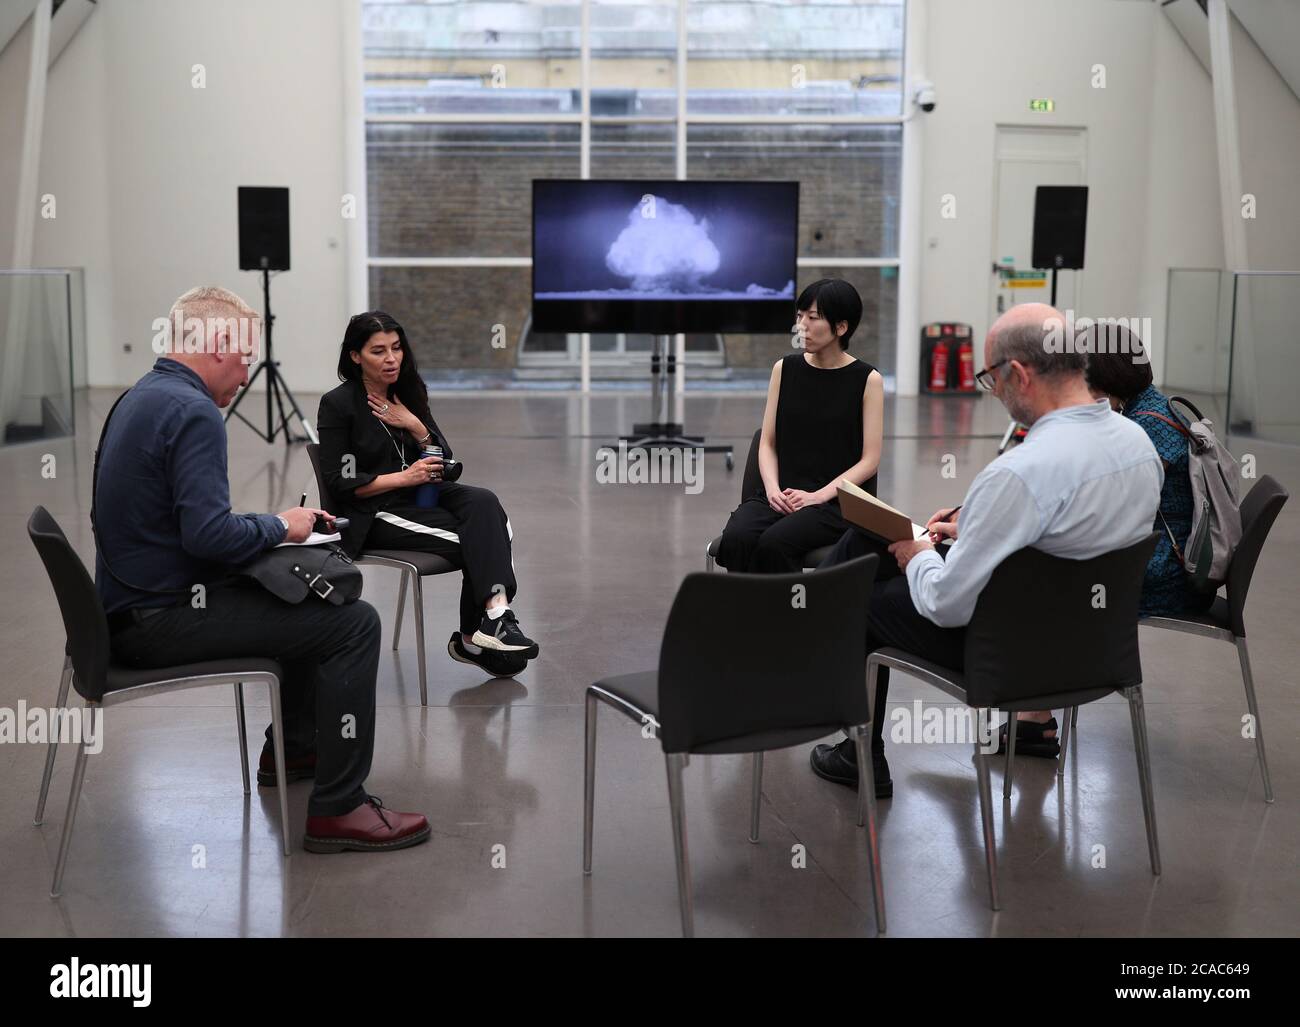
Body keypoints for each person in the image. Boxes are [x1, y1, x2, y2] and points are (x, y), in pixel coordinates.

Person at [99, 286, 429, 853]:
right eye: (246, 356)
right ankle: (339, 810)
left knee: (302, 595)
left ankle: (296, 749)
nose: (249, 372)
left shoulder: (141, 396)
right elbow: (207, 535)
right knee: (354, 623)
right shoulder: (194, 411)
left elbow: (182, 526)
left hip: (129, 603)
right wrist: (282, 527)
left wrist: (275, 527)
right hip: (156, 619)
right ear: (220, 343)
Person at [808, 303, 1163, 796]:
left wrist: (918, 552)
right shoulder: (1138, 444)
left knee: (865, 593)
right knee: (867, 542)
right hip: (1097, 647)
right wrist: (973, 529)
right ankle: (826, 667)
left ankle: (858, 750)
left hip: (1012, 656)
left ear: (1018, 374)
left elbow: (945, 605)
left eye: (991, 379)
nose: (993, 392)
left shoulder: (1018, 471)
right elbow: (1074, 532)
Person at [317, 311, 538, 679]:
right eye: (378, 351)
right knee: (487, 539)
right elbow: (342, 481)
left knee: (485, 503)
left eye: (396, 348)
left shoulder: (408, 391)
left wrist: (414, 425)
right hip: (372, 511)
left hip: (422, 497)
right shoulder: (339, 404)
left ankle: (495, 618)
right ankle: (474, 636)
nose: (391, 359)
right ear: (355, 356)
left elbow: (444, 458)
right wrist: (404, 478)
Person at [715, 279, 886, 573]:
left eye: (813, 317)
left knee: (775, 543)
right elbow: (767, 442)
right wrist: (771, 490)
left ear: (841, 327)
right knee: (737, 538)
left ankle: (790, 617)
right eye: (799, 315)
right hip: (779, 495)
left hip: (833, 504)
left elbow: (870, 461)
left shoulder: (868, 380)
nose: (801, 325)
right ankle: (743, 616)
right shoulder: (784, 369)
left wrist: (817, 496)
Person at [1084, 326, 1215, 618]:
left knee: (1049, 579)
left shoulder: (1150, 426)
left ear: (1106, 378)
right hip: (1162, 559)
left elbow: (1116, 505)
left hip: (1166, 575)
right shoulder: (1152, 407)